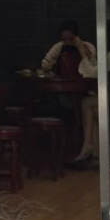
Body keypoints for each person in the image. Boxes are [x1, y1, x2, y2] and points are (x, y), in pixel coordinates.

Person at [41, 21, 99, 168]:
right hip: (63, 91)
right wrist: (52, 62)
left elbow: (92, 69)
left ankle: (86, 149)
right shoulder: (59, 47)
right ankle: (67, 149)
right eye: (64, 39)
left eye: (70, 39)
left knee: (85, 104)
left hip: (84, 90)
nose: (67, 42)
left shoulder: (87, 47)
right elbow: (45, 64)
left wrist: (80, 49)